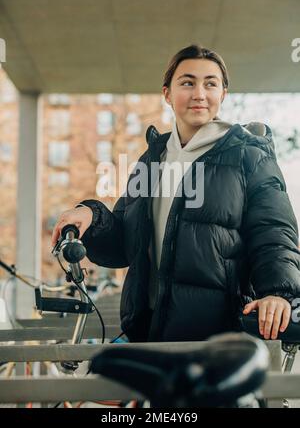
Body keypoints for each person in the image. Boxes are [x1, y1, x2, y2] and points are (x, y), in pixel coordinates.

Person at [52, 44, 300, 343]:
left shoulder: (249, 156)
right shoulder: (152, 159)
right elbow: (124, 243)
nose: (199, 93)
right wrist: (91, 214)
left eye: (210, 84)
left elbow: (273, 233)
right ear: (167, 94)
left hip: (221, 335)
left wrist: (278, 292)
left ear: (222, 94)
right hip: (150, 331)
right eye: (187, 82)